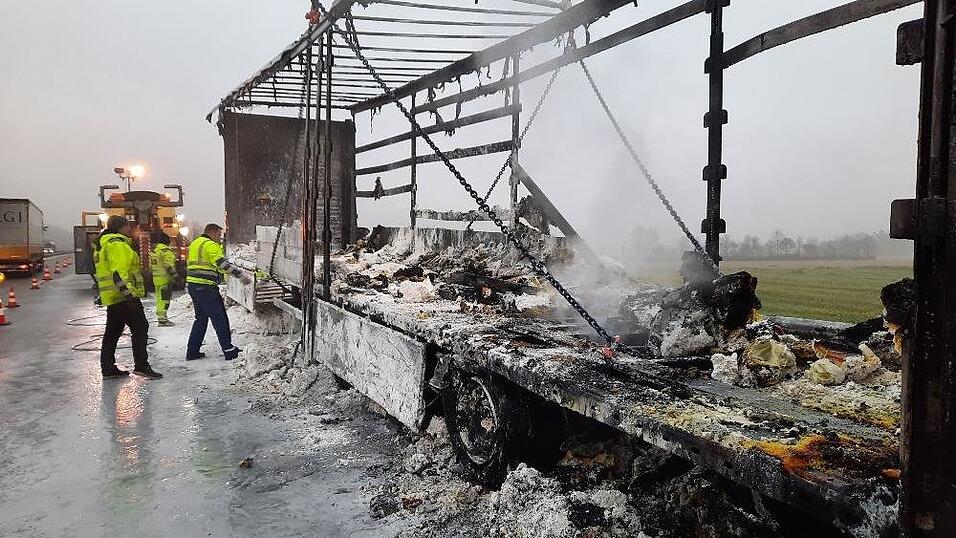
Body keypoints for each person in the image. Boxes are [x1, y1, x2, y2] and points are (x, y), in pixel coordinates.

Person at [97, 215, 163, 379]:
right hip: (124, 297)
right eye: (128, 226)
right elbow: (119, 274)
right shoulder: (118, 245)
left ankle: (108, 368)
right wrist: (130, 297)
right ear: (120, 227)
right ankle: (141, 366)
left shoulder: (105, 244)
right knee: (141, 328)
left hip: (113, 297)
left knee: (112, 333)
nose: (130, 229)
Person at [185, 223, 251, 361]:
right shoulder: (210, 245)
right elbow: (221, 264)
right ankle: (228, 350)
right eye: (218, 235)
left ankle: (192, 351)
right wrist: (240, 275)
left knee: (201, 319)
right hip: (206, 288)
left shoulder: (195, 243)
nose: (219, 238)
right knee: (219, 318)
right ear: (213, 232)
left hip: (193, 286)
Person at [149, 233, 177, 326]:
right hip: (165, 280)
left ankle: (161, 317)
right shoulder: (166, 251)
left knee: (159, 299)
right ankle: (162, 320)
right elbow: (168, 266)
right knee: (164, 300)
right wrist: (177, 277)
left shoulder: (155, 252)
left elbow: (151, 266)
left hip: (156, 279)